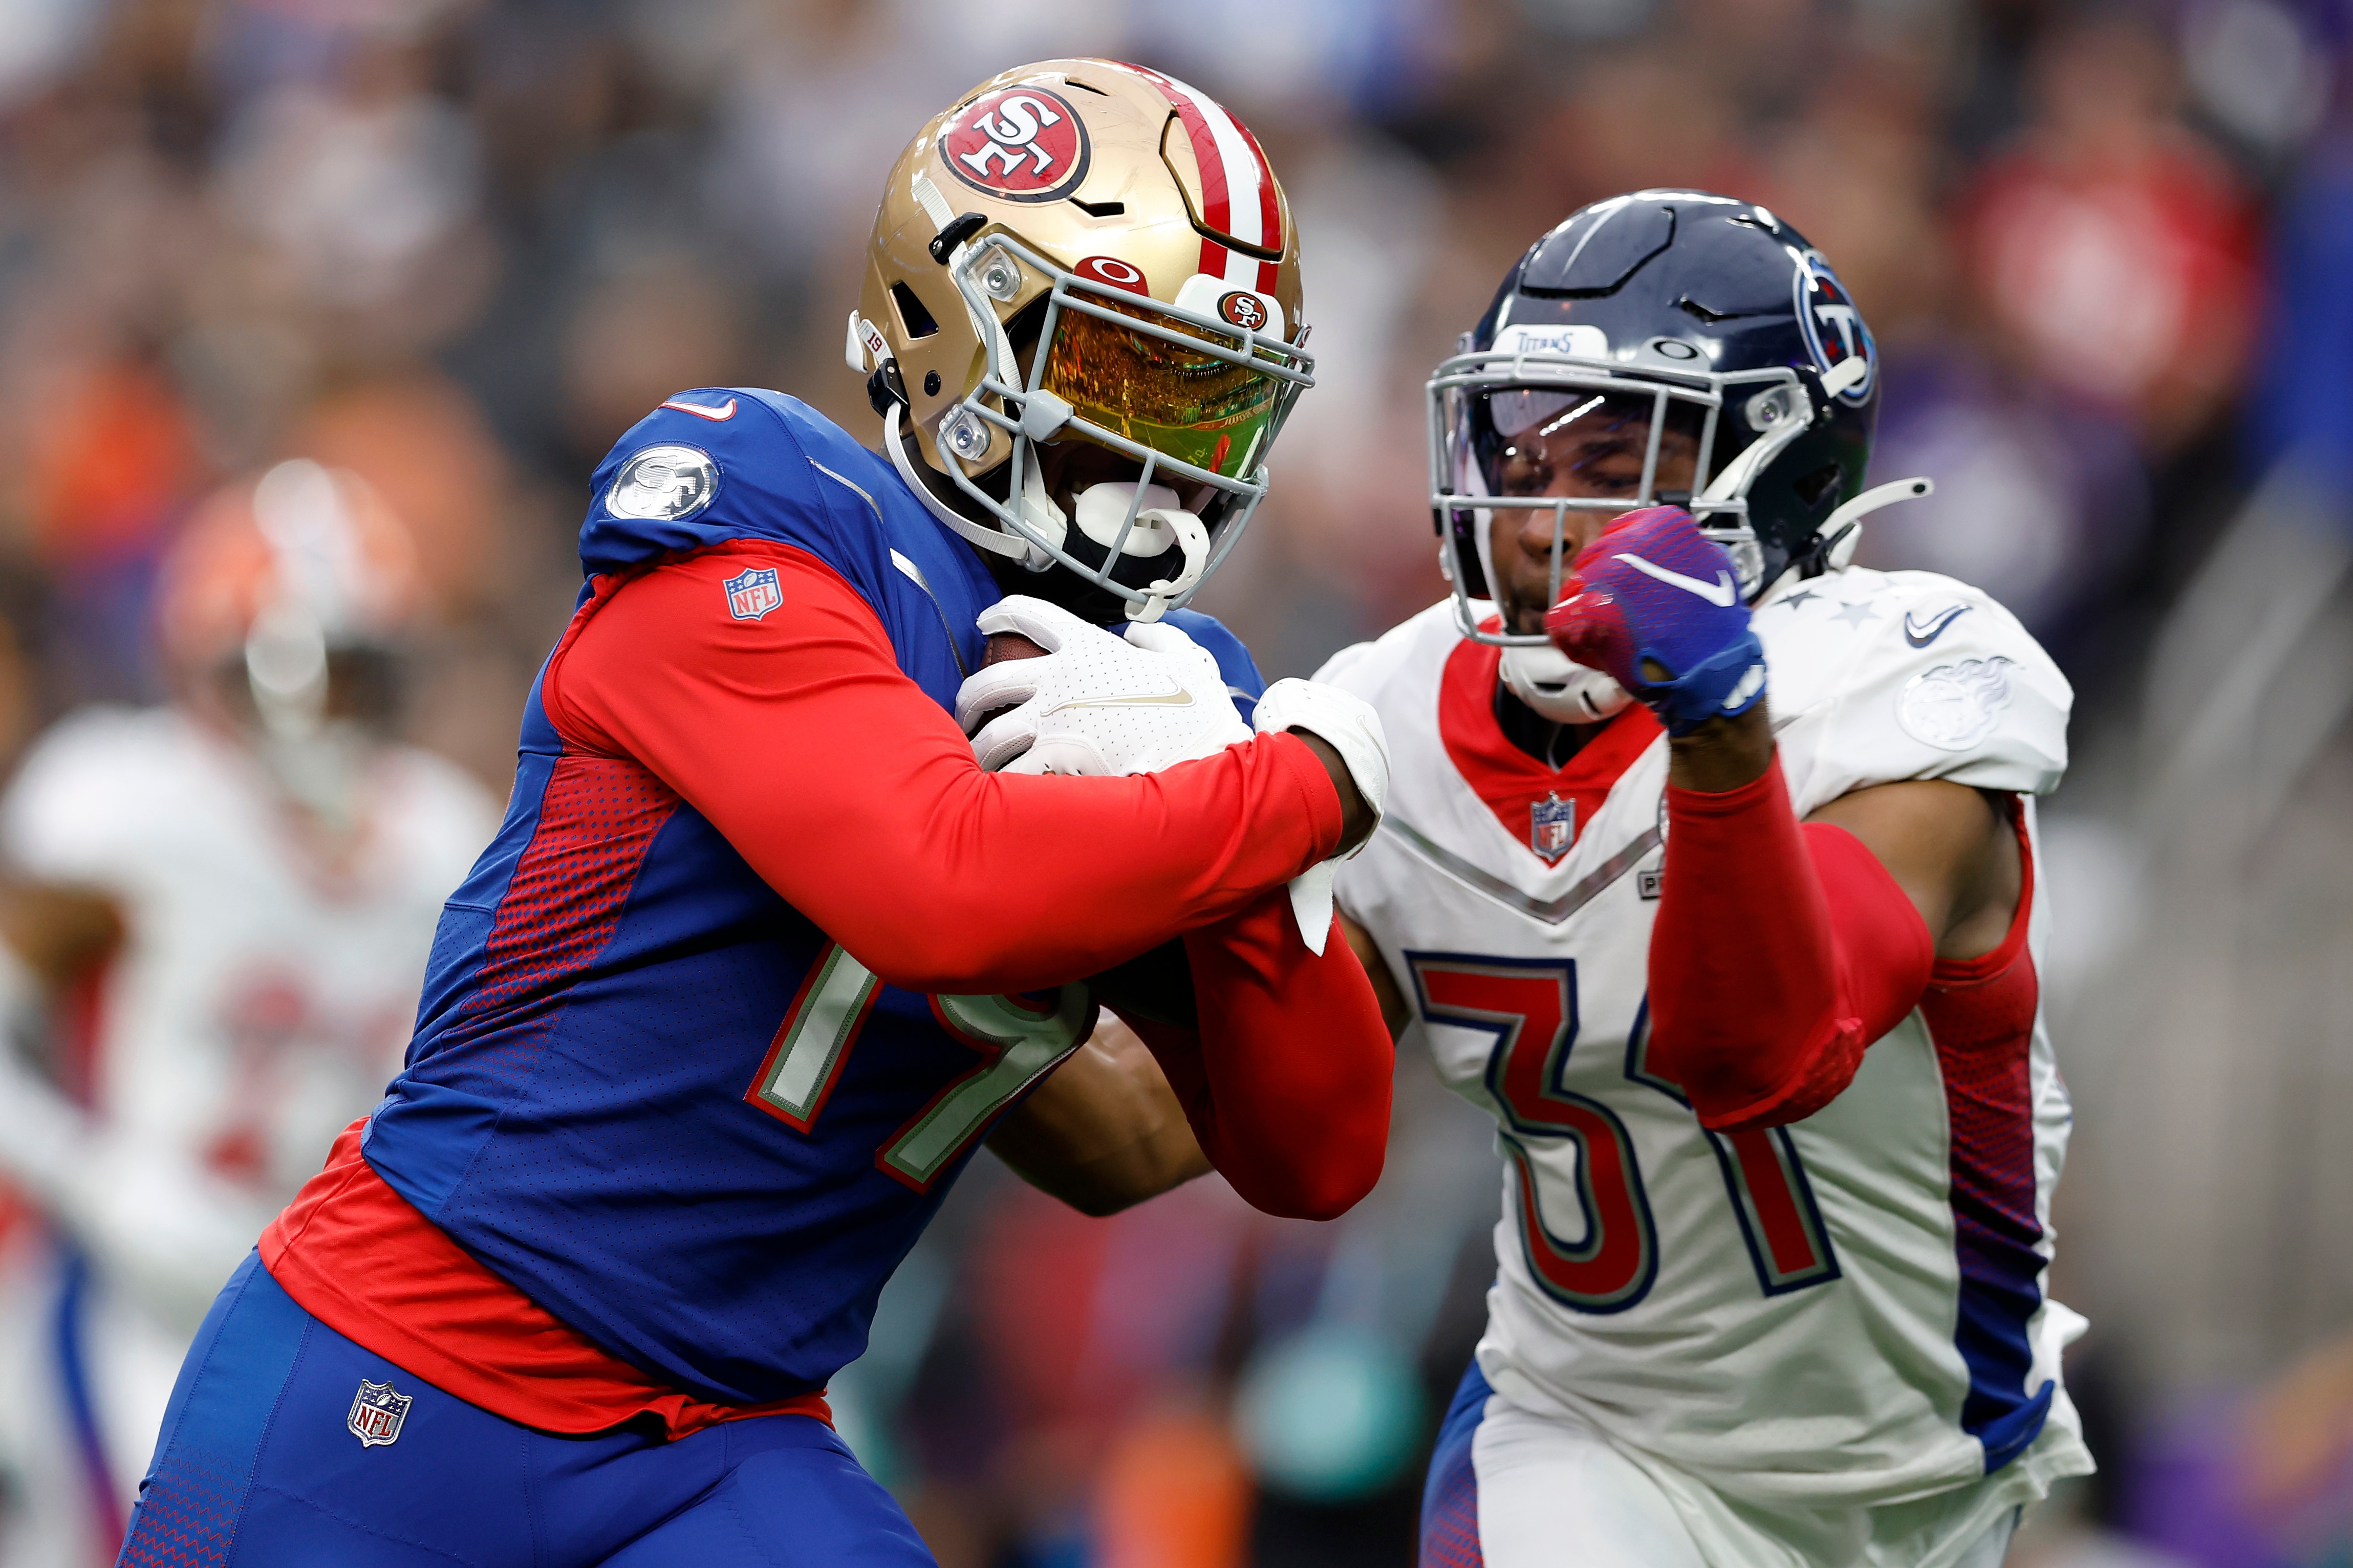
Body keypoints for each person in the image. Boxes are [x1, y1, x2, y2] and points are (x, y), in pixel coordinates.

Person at [116, 60, 1396, 1568]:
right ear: (955, 326)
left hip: (726, 1436)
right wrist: (1309, 781)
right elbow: (937, 887)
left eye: (1211, 402)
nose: (1165, 459)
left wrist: (1236, 820)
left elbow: (1304, 1148)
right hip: (428, 1354)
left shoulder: (1162, 696)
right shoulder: (766, 507)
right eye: (1122, 378)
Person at [1315, 192, 2092, 1567]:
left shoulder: (1894, 678)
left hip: (1932, 1476)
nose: (1541, 519)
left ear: (1777, 471)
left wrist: (1723, 733)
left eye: (1613, 461)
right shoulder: (1386, 708)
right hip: (1586, 1434)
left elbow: (1770, 1052)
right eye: (1520, 456)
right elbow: (1173, 1136)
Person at [0, 461, 500, 1566]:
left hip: (339, 1312)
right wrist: (98, 1179)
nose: (313, 719)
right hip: (131, 1289)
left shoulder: (443, 843)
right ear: (197, 665)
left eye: (350, 676)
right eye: (277, 676)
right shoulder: (124, 809)